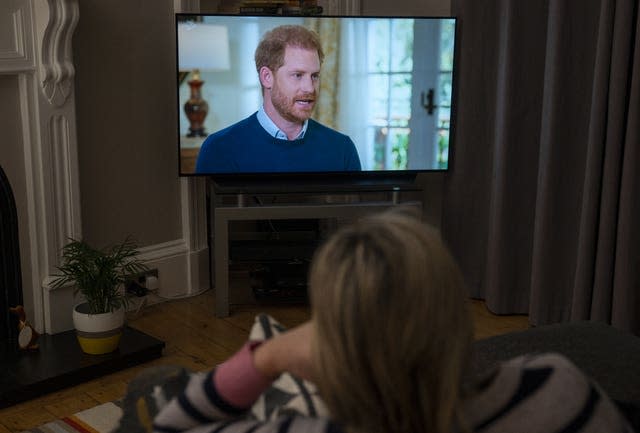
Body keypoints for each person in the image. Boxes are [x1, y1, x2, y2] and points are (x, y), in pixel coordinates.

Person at [151, 209, 633, 433]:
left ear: (333, 349)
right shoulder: (559, 386)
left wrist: (271, 354)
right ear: (453, 310)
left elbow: (168, 425)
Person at [195, 25, 362, 173]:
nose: (310, 88)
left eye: (315, 76)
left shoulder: (342, 149)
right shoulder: (219, 149)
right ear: (267, 77)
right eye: (298, 75)